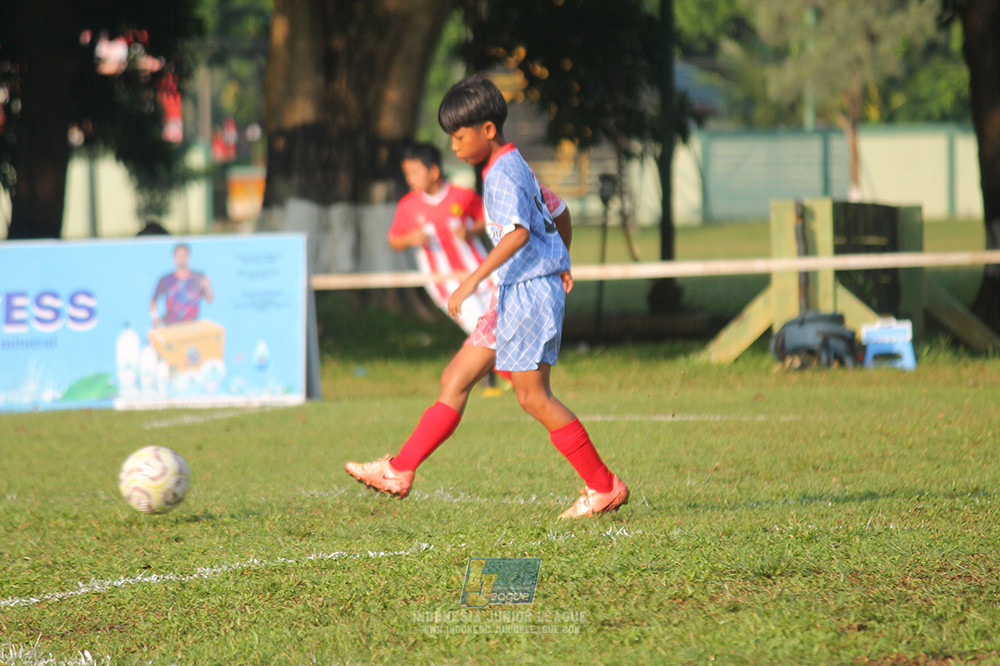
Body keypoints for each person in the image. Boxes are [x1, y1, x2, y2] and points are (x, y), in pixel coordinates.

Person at [346, 77, 628, 519]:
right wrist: (561, 258)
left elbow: (517, 233)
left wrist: (471, 279)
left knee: (533, 397)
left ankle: (603, 485)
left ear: (488, 130)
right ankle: (400, 470)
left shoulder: (499, 175)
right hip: (517, 292)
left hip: (528, 292)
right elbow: (558, 212)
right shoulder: (515, 165)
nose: (454, 147)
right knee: (456, 378)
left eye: (460, 137)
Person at [389, 142, 494, 336]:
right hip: (443, 281)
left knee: (501, 325)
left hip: (480, 273)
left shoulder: (462, 196)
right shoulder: (408, 205)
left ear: (434, 171)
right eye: (407, 174)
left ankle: (499, 366)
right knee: (483, 331)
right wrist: (410, 239)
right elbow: (394, 240)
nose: (409, 179)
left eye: (414, 172)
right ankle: (495, 366)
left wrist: (470, 231)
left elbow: (485, 218)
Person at [150, 243, 213, 327]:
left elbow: (209, 300)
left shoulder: (198, 277)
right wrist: (155, 318)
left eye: (184, 256)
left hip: (193, 326)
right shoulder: (165, 279)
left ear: (188, 257)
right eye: (179, 256)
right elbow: (153, 302)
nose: (182, 259)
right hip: (171, 326)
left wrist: (207, 286)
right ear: (174, 258)